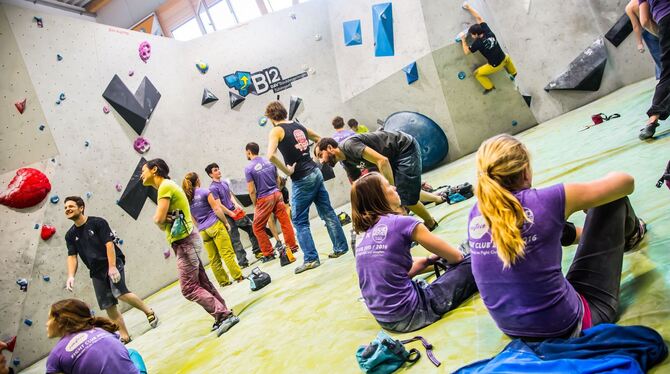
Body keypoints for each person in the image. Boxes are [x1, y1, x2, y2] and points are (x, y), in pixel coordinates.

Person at [468, 134, 647, 340]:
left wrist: (590, 230)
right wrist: (592, 203)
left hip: (515, 332)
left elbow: (558, 233)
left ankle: (623, 235)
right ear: (525, 171)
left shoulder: (477, 213)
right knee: (613, 201)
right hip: (570, 326)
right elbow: (626, 182)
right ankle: (632, 234)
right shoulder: (546, 200)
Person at [351, 172, 477, 332]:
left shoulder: (363, 235)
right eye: (388, 186)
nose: (394, 187)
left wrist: (428, 260)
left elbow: (392, 272)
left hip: (386, 319)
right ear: (380, 196)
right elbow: (457, 257)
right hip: (414, 314)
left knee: (447, 259)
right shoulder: (403, 223)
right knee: (475, 257)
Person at [141, 158, 239, 336]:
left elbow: (158, 219)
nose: (141, 174)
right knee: (201, 282)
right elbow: (168, 217)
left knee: (188, 288)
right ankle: (222, 313)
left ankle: (224, 315)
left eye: (144, 170)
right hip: (187, 240)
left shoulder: (164, 187)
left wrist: (162, 220)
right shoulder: (168, 186)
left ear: (154, 170)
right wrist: (165, 220)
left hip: (184, 242)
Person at [265, 101, 348, 274]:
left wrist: (286, 171)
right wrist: (316, 157)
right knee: (327, 212)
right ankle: (341, 247)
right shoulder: (298, 125)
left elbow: (270, 155)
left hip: (301, 178)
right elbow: (321, 139)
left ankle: (311, 259)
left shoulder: (276, 130)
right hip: (315, 172)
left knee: (299, 220)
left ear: (271, 118)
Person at [63, 196, 157, 344]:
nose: (67, 209)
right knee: (108, 305)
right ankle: (124, 335)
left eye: (71, 206)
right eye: (65, 208)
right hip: (96, 271)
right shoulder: (70, 235)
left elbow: (109, 245)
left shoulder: (97, 223)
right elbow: (72, 256)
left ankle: (148, 311)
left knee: (119, 292)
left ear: (81, 208)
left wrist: (112, 267)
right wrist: (70, 276)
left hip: (112, 262)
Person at [316, 133, 448, 230]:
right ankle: (437, 199)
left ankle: (430, 223)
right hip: (391, 158)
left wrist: (389, 189)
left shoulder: (350, 146)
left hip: (404, 149)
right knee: (405, 189)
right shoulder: (346, 162)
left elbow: (382, 161)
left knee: (400, 196)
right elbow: (358, 185)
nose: (321, 162)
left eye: (321, 155)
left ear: (329, 147)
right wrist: (359, 209)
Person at [45, 298, 139, 374]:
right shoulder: (100, 330)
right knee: (132, 353)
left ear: (60, 322)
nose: (46, 323)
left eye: (49, 318)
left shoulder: (56, 354)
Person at [182, 172, 244, 286]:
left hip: (203, 231)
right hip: (215, 225)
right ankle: (238, 276)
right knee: (227, 253)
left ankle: (223, 282)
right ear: (197, 181)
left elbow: (192, 218)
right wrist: (225, 222)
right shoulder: (205, 192)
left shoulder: (187, 198)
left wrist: (200, 227)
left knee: (213, 258)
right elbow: (216, 208)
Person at [245, 142, 299, 262]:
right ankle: (292, 246)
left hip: (264, 198)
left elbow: (251, 190)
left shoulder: (249, 168)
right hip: (276, 194)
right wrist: (276, 191)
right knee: (285, 221)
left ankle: (268, 253)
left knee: (257, 227)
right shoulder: (269, 161)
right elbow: (277, 180)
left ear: (249, 152)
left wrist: (256, 205)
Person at [205, 163, 262, 268]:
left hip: (235, 211)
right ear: (210, 174)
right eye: (215, 170)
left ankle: (258, 251)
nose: (218, 171)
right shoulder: (212, 188)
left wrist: (236, 205)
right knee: (235, 239)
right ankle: (243, 262)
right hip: (227, 216)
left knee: (251, 228)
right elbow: (218, 204)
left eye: (218, 169)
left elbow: (230, 195)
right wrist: (229, 213)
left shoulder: (224, 183)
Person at [459, 2, 517, 94]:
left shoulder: (477, 43)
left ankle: (489, 87)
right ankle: (514, 73)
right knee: (507, 57)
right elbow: (479, 18)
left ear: (476, 34)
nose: (471, 36)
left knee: (477, 74)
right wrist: (468, 7)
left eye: (472, 35)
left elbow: (466, 52)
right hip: (504, 58)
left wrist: (463, 40)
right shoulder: (487, 30)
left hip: (495, 66)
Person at [638, 0, 670, 139]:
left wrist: (662, 34)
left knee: (666, 74)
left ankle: (652, 120)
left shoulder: (632, 6)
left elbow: (644, 21)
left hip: (664, 23)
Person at [627, 0, 663, 79]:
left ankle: (662, 75)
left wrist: (639, 43)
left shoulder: (629, 7)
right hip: (658, 24)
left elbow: (636, 26)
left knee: (659, 56)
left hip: (649, 30)